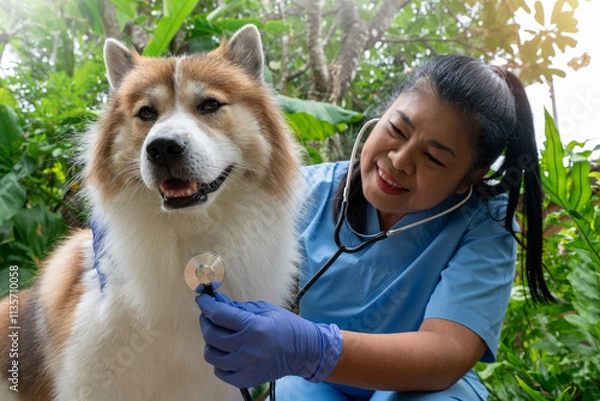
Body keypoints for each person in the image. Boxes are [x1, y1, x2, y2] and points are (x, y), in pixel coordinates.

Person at [195, 54, 555, 400]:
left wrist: (311, 349)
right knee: (293, 392)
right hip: (316, 385)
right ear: (382, 116)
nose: (399, 161)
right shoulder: (302, 193)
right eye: (397, 129)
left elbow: (447, 351)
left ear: (469, 178)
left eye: (433, 157)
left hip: (422, 390)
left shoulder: (485, 224)